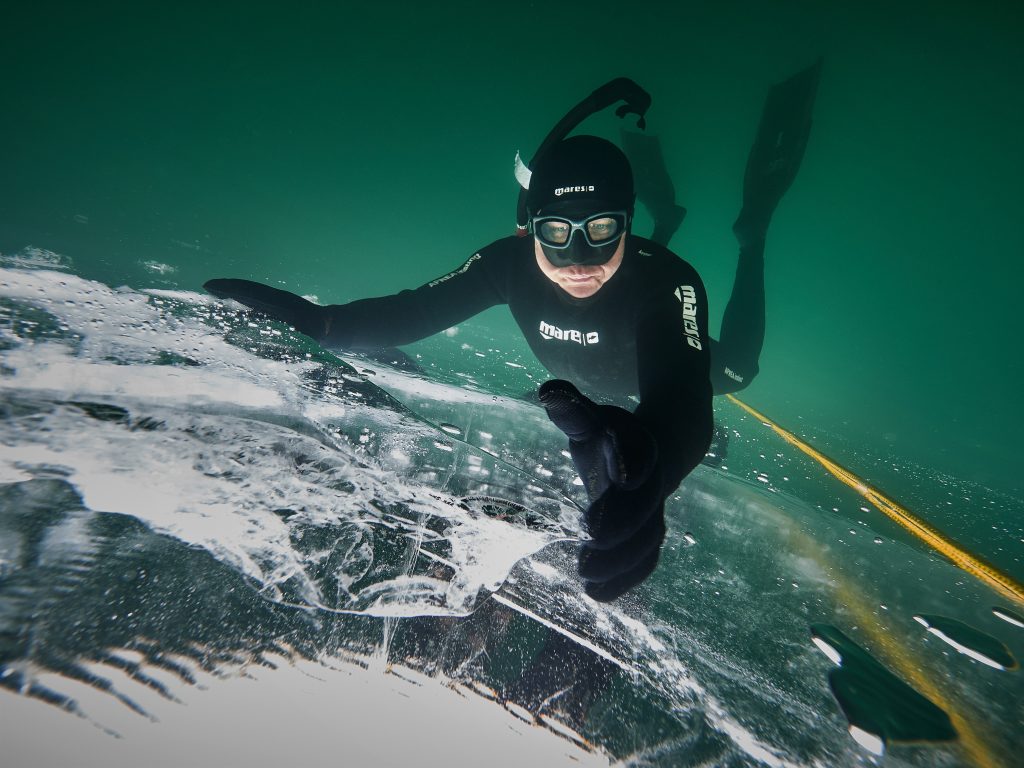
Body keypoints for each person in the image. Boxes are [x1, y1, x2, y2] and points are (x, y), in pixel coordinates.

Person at [204, 62, 821, 602]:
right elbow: (413, 313)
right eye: (558, 232)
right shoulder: (507, 262)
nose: (580, 257)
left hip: (656, 351)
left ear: (625, 226)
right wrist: (325, 324)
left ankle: (753, 234)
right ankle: (667, 217)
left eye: (603, 229)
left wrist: (655, 473)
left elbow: (683, 398)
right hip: (602, 359)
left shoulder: (671, 284)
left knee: (736, 373)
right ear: (532, 229)